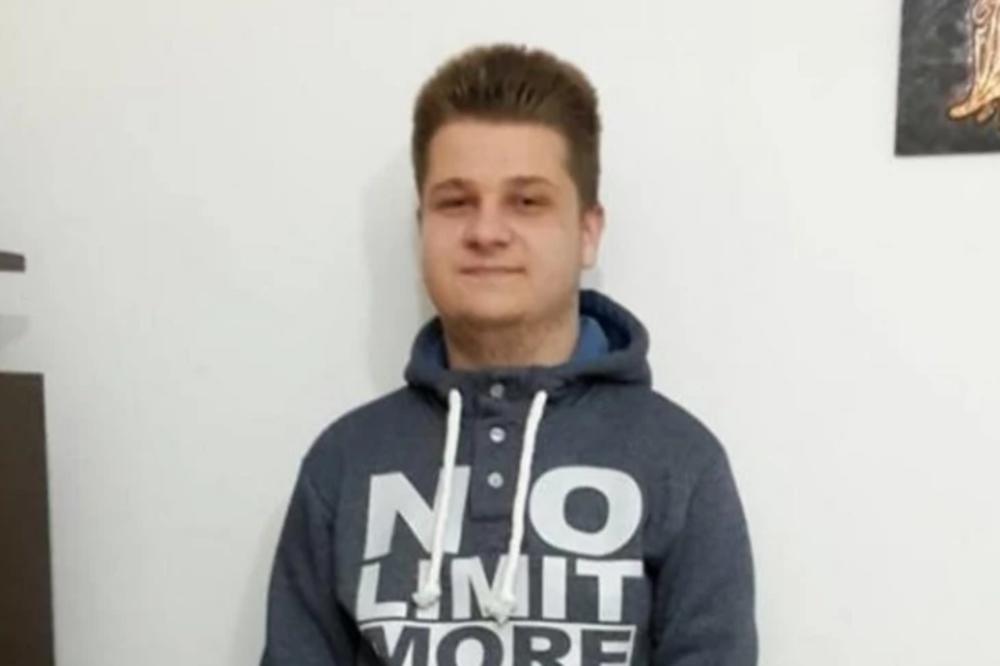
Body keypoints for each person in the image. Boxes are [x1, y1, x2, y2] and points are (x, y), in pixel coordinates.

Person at [260, 43, 757, 665]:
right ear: (422, 227)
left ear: (588, 232)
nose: (486, 232)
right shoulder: (344, 462)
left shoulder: (681, 463)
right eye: (456, 201)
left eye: (526, 201)